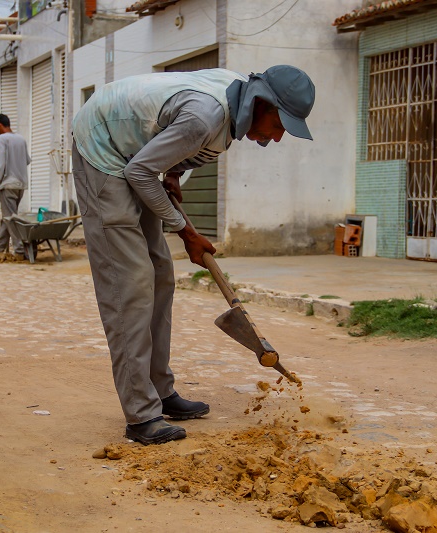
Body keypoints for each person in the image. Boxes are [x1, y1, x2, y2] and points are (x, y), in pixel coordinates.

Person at [71, 65, 315, 445]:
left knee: (161, 276)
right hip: (104, 149)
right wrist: (186, 231)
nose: (279, 137)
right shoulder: (206, 116)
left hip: (136, 157)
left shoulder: (232, 106)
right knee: (130, 286)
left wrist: (170, 175)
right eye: (281, 123)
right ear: (262, 104)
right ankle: (141, 415)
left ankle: (160, 390)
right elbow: (139, 172)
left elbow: (162, 149)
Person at [0, 114, 31, 256]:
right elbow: (27, 160)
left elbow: (1, 164)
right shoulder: (21, 139)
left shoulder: (3, 139)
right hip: (20, 185)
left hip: (8, 185)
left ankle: (19, 250)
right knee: (8, 218)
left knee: (11, 219)